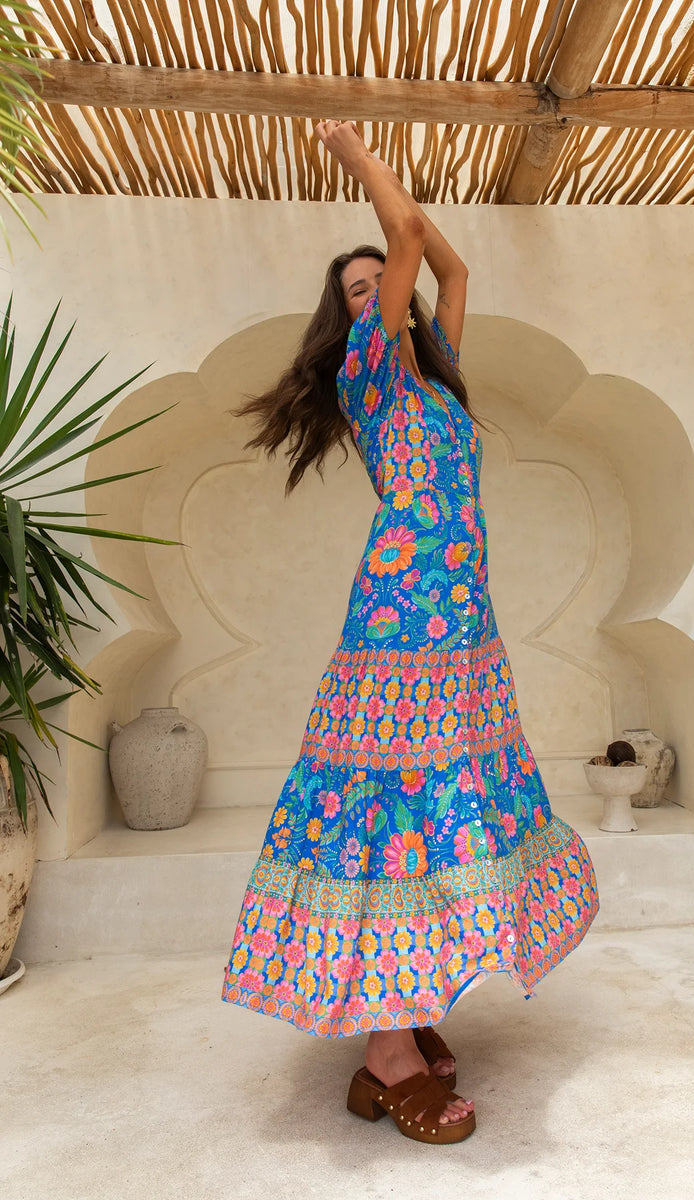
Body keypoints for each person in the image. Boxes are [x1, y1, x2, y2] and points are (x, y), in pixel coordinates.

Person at [221, 119, 600, 1145]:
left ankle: (402, 1013)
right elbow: (406, 233)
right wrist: (351, 155)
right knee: (392, 808)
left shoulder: (436, 379)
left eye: (378, 287)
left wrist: (421, 244)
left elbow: (450, 260)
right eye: (356, 292)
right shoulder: (369, 374)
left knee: (436, 808)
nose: (372, 296)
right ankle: (386, 1058)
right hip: (399, 629)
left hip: (458, 629)